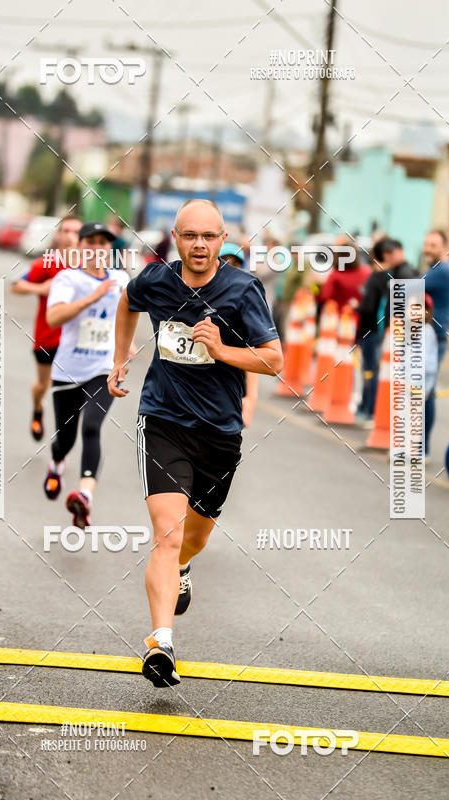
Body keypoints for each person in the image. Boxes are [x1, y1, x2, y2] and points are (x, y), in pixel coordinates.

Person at [108, 199, 283, 688]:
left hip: (220, 433)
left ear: (222, 241)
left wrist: (221, 349)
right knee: (167, 532)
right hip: (163, 420)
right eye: (190, 236)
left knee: (194, 537)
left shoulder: (243, 290)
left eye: (208, 237)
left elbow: (275, 361)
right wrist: (120, 357)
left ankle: (184, 566)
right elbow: (128, 301)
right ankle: (161, 644)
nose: (199, 245)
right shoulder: (157, 279)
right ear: (176, 238)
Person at [43, 222, 131, 527]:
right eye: (91, 242)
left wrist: (127, 346)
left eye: (103, 244)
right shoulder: (68, 279)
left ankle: (84, 496)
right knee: (64, 440)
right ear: (80, 247)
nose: (97, 249)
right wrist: (93, 297)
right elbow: (53, 317)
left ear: (110, 249)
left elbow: (126, 318)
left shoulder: (121, 279)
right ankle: (56, 464)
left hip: (103, 368)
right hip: (68, 369)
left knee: (92, 427)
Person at [11, 216, 82, 440]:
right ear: (58, 235)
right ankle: (37, 408)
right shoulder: (48, 262)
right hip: (48, 336)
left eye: (75, 231)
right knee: (44, 384)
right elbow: (17, 286)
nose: (70, 236)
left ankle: (65, 436)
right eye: (66, 230)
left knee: (72, 389)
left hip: (76, 341)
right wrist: (41, 288)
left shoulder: (89, 265)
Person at [355, 238, 415, 422]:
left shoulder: (402, 275)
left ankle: (372, 410)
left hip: (386, 333)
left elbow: (403, 307)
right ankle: (373, 409)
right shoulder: (395, 274)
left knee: (374, 371)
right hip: (386, 332)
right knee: (377, 372)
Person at [422, 230, 449, 457]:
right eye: (426, 244)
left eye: (433, 245)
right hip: (431, 338)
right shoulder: (438, 269)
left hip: (434, 339)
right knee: (423, 391)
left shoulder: (443, 271)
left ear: (445, 246)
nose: (428, 248)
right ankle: (418, 447)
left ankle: (421, 449)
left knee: (425, 393)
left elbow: (410, 286)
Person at [219, 242, 259, 426]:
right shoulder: (195, 296)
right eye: (224, 261)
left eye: (235, 263)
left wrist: (250, 400)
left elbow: (254, 355)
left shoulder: (244, 303)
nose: (229, 267)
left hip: (230, 395)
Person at [319, 235, 371, 314]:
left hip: (342, 319)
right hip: (363, 318)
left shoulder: (336, 275)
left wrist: (317, 287)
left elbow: (325, 296)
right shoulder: (367, 272)